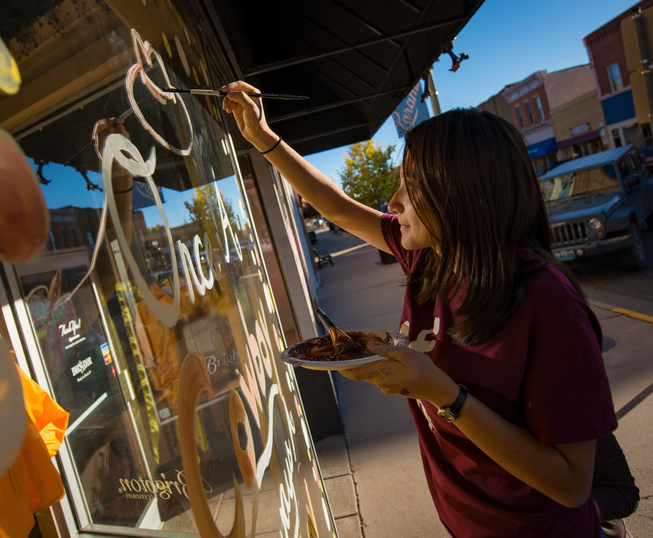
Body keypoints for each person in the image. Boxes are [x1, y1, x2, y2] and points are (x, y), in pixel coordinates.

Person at [221, 81, 618, 537]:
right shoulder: (431, 257)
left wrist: (443, 393)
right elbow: (338, 207)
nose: (392, 203)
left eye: (410, 186)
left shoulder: (548, 304)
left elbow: (570, 485)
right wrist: (262, 139)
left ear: (459, 194)